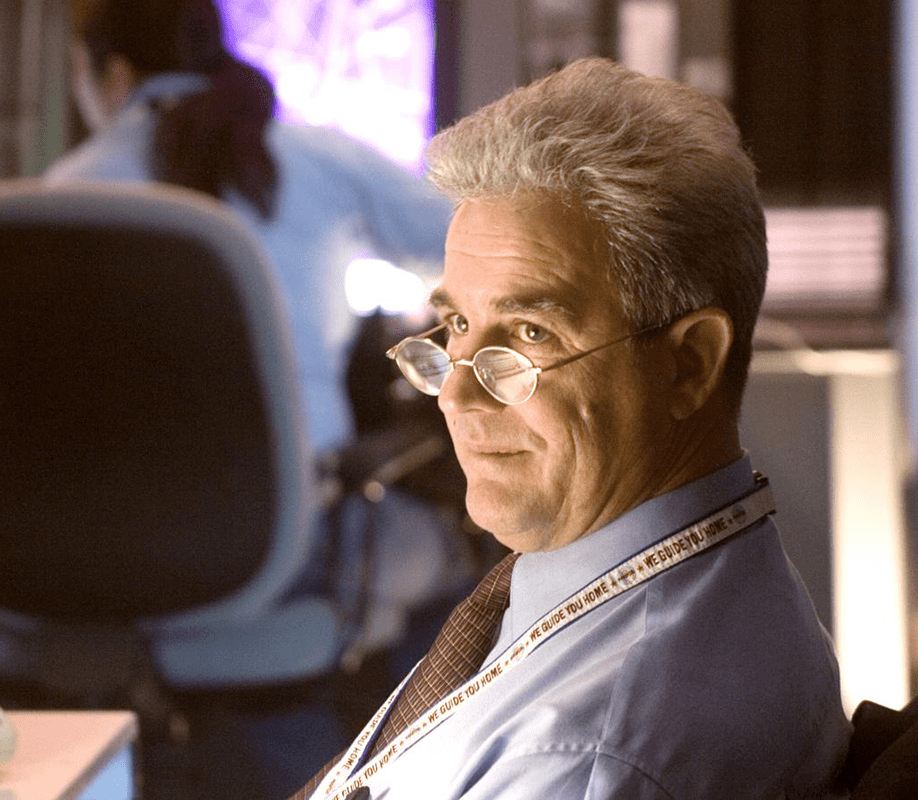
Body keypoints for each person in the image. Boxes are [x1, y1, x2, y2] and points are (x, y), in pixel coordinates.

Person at [292, 57, 850, 800]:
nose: (456, 395)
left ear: (687, 366)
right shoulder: (624, 574)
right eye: (456, 324)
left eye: (526, 335)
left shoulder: (584, 760)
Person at [45, 0, 452, 457]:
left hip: (130, 496)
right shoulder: (319, 157)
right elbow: (457, 238)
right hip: (302, 491)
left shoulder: (66, 194)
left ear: (114, 75)